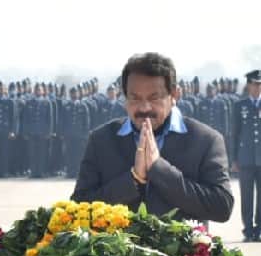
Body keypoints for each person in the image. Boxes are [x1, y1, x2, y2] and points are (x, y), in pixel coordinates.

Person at [72, 52, 234, 222]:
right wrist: (134, 179)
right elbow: (79, 207)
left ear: (174, 95)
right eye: (135, 98)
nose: (144, 108)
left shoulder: (205, 140)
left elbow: (222, 207)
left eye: (154, 98)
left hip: (183, 240)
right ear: (125, 97)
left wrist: (159, 169)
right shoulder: (101, 140)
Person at [229, 70, 261, 241]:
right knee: (247, 196)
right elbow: (234, 134)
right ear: (249, 85)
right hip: (246, 158)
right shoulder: (239, 106)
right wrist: (234, 159)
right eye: (256, 84)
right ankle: (248, 229)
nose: (259, 87)